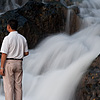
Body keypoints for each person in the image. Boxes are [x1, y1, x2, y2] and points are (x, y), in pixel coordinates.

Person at [0, 19, 29, 100]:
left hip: (9, 63)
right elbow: (26, 53)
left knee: (9, 87)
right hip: (19, 63)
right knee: (18, 87)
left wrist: (2, 67)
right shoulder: (22, 38)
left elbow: (4, 54)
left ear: (9, 27)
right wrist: (18, 54)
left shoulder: (7, 38)